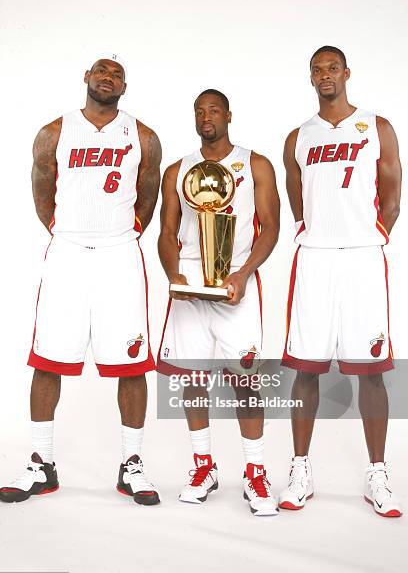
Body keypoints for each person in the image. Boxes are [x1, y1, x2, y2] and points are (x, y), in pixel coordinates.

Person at [0, 53, 162, 506]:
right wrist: (62, 230)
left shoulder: (143, 136)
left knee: (131, 364)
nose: (108, 78)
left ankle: (132, 465)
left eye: (118, 75)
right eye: (101, 71)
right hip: (68, 253)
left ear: (124, 88)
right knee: (48, 359)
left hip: (119, 256)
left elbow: (147, 196)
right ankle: (40, 463)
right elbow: (41, 189)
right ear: (86, 78)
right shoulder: (54, 131)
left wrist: (123, 234)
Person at [279, 46, 402, 517]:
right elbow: (298, 201)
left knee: (371, 371)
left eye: (332, 68)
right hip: (315, 259)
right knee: (306, 367)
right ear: (309, 77)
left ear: (346, 73)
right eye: (316, 69)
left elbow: (391, 195)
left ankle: (378, 474)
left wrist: (375, 234)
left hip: (363, 259)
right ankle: (300, 468)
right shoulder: (298, 137)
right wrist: (322, 232)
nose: (324, 75)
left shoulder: (377, 126)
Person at [157, 89, 280, 516]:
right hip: (192, 281)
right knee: (193, 378)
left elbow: (271, 229)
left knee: (245, 379)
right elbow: (166, 231)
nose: (206, 117)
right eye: (199, 111)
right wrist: (175, 277)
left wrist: (243, 274)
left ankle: (256, 472)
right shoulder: (178, 169)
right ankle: (203, 466)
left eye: (213, 110)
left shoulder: (256, 164)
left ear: (229, 115)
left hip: (235, 281)